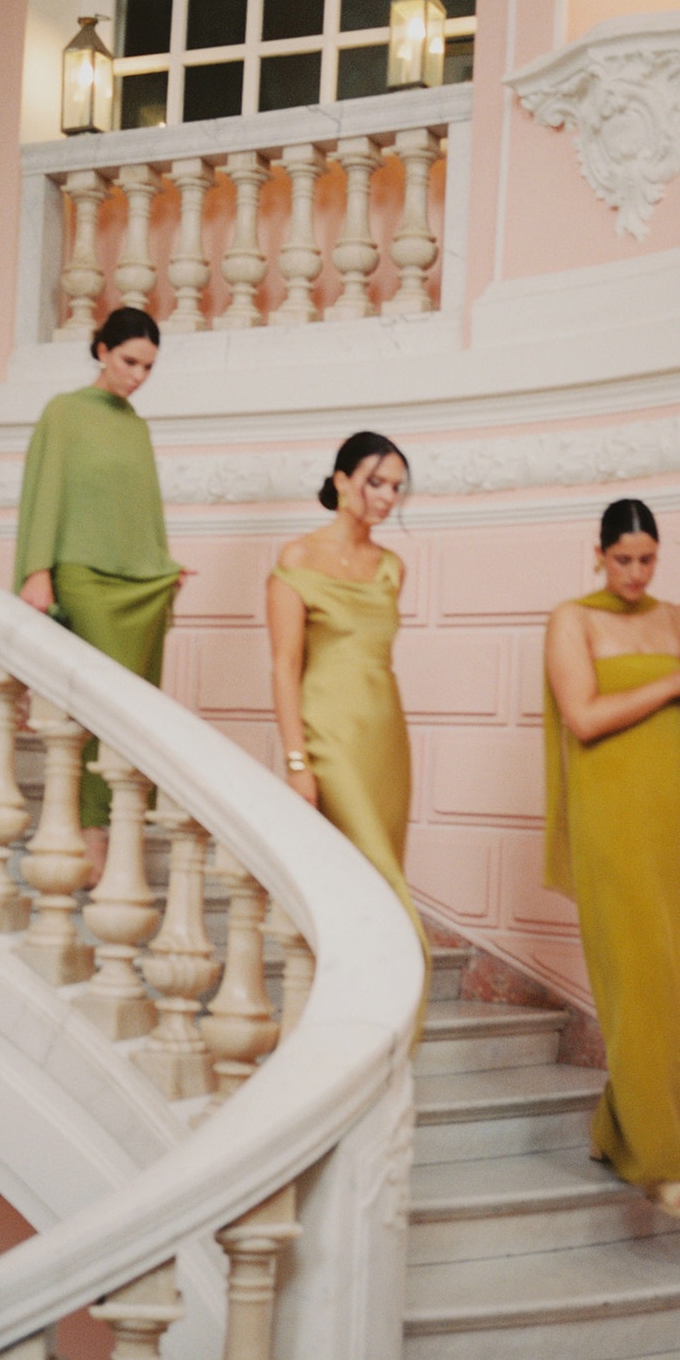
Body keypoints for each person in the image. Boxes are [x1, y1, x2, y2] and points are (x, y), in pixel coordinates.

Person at [542, 498, 680, 1221]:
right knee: (638, 973)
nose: (635, 572)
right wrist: (678, 682)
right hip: (611, 816)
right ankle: (664, 1166)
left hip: (674, 807)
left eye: (647, 559)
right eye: (622, 559)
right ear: (597, 554)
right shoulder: (571, 619)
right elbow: (584, 718)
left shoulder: (673, 619)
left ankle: (616, 1132)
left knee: (672, 972)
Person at [14, 307, 182, 885]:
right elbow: (46, 488)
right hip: (82, 576)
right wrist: (38, 569)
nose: (138, 375)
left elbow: (144, 509)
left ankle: (109, 833)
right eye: (130, 361)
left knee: (131, 714)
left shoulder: (136, 427)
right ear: (102, 350)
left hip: (137, 585)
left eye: (148, 367)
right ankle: (89, 838)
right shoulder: (63, 413)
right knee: (96, 709)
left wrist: (163, 567)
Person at [266, 431, 431, 1016]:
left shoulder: (392, 567)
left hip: (385, 739)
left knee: (371, 878)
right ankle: (388, 1013)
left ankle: (359, 1014)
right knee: (378, 888)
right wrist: (296, 762)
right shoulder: (297, 559)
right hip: (325, 736)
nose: (388, 497)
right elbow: (286, 667)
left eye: (396, 487)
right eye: (376, 483)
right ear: (341, 482)